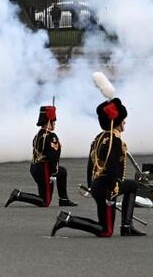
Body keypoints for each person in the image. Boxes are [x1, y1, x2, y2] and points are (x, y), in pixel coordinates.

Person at [50, 98, 145, 237]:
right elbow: (112, 165)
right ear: (116, 122)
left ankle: (127, 226)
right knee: (106, 231)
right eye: (123, 119)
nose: (124, 122)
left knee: (132, 186)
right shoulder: (114, 140)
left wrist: (91, 185)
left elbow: (90, 164)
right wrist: (114, 186)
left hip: (98, 185)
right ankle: (68, 220)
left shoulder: (98, 138)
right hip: (108, 186)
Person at [4, 105, 78, 208]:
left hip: (35, 168)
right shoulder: (51, 136)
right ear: (49, 122)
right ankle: (18, 195)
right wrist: (53, 172)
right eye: (53, 122)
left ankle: (63, 199)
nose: (54, 124)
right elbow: (53, 158)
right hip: (45, 170)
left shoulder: (37, 135)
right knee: (45, 202)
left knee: (62, 172)